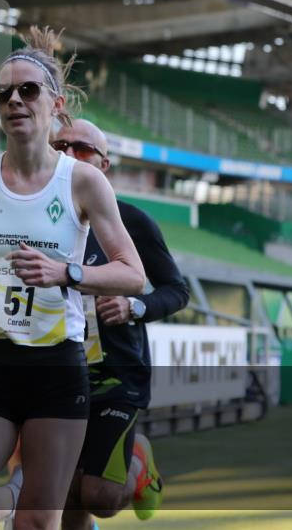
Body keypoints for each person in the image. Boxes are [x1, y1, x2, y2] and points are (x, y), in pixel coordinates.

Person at [0, 27, 145, 530]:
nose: (14, 101)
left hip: (56, 371)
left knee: (39, 525)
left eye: (28, 90)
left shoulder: (84, 181)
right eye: (3, 93)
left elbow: (133, 275)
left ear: (56, 102)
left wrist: (66, 273)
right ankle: (7, 499)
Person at [48, 119, 190, 529]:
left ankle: (140, 461)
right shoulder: (38, 217)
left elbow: (176, 291)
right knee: (60, 487)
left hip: (116, 374)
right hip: (53, 369)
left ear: (104, 165)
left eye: (82, 148)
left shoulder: (133, 222)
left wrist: (134, 306)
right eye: (60, 145)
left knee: (101, 497)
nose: (70, 153)